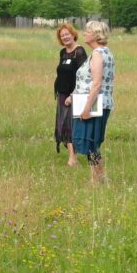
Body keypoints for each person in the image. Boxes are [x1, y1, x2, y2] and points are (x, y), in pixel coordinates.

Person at [68, 21, 115, 184]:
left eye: (88, 31)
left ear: (96, 34)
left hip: (94, 104)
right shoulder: (105, 52)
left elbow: (96, 84)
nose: (84, 33)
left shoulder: (97, 54)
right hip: (100, 103)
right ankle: (102, 177)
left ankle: (96, 180)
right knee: (92, 142)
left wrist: (87, 108)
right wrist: (72, 95)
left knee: (90, 142)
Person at [53, 23, 87, 166]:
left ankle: (73, 159)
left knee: (71, 126)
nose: (65, 37)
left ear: (73, 34)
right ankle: (72, 158)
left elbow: (84, 77)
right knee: (64, 126)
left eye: (67, 34)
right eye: (62, 36)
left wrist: (73, 95)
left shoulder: (79, 52)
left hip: (75, 95)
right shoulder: (63, 52)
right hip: (62, 94)